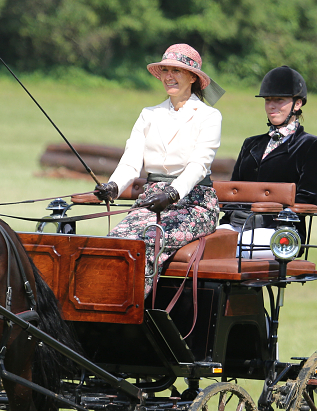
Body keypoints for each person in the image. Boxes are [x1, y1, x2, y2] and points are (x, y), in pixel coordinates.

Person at [93, 44, 224, 290]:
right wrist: (113, 186)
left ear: (193, 77)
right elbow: (131, 160)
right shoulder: (149, 114)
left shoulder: (209, 116)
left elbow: (200, 163)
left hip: (194, 204)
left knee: (148, 241)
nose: (168, 76)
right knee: (115, 242)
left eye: (177, 70)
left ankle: (129, 311)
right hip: (152, 200)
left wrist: (174, 192)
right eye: (164, 70)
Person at [221, 65, 317, 255]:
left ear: (297, 104)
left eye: (279, 100)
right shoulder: (251, 144)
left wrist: (266, 216)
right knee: (205, 244)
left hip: (282, 231)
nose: (271, 106)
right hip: (241, 224)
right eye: (268, 100)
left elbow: (307, 197)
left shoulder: (311, 145)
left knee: (233, 248)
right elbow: (234, 190)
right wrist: (231, 217)